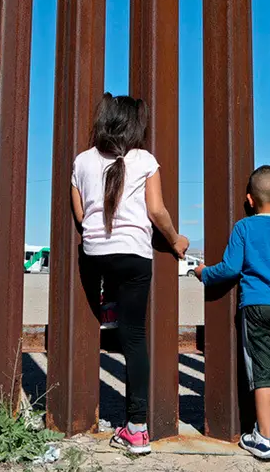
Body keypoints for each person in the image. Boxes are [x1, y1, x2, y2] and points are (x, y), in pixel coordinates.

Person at [71, 93, 188, 455]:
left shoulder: (82, 160)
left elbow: (80, 218)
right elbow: (157, 211)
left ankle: (106, 304)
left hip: (95, 255)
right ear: (136, 125)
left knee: (94, 259)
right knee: (134, 339)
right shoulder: (145, 160)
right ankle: (137, 429)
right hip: (135, 255)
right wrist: (176, 240)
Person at [194, 165, 270, 462]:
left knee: (260, 369)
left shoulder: (244, 227)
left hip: (256, 306)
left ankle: (263, 436)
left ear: (250, 199)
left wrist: (204, 273)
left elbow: (231, 268)